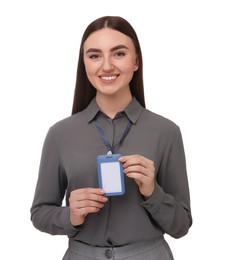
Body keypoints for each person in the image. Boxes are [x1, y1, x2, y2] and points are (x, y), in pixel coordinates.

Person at [30, 16, 192, 260]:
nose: (106, 66)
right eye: (94, 56)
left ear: (136, 61)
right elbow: (40, 213)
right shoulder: (60, 134)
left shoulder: (166, 131)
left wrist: (152, 192)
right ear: (84, 64)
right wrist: (70, 215)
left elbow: (181, 225)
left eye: (118, 54)